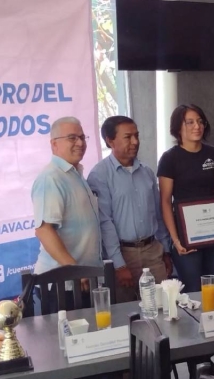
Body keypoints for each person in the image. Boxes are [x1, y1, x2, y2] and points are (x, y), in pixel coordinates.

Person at [87, 116, 172, 303]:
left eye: (137, 136)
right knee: (126, 315)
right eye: (128, 137)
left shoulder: (147, 172)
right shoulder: (99, 175)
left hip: (153, 252)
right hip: (124, 255)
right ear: (110, 141)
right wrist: (118, 265)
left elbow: (158, 215)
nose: (135, 142)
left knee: (162, 308)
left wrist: (165, 251)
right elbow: (104, 222)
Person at [32, 117, 101, 311]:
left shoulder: (75, 174)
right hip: (63, 283)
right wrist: (75, 270)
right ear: (54, 144)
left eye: (82, 137)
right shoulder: (51, 178)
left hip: (80, 280)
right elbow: (44, 230)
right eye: (72, 138)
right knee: (65, 341)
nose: (80, 143)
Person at [157, 104, 214, 294]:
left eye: (200, 121)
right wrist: (175, 240)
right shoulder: (169, 158)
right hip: (186, 237)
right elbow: (165, 201)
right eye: (190, 122)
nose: (197, 126)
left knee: (213, 290)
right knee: (193, 291)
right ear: (177, 127)